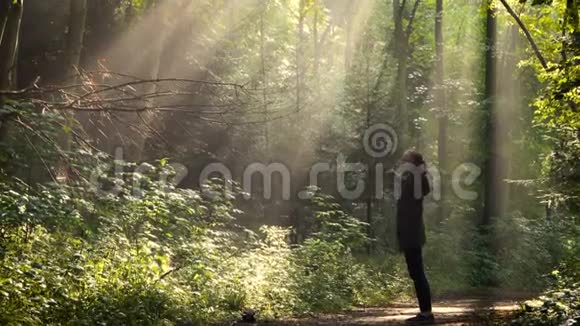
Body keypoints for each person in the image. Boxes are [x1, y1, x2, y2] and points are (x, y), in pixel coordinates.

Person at [396, 150, 434, 324]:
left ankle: (426, 314)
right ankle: (425, 312)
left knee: (417, 273)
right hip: (412, 232)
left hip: (412, 233)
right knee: (416, 273)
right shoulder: (415, 179)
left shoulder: (414, 180)